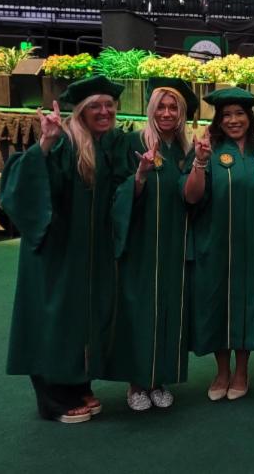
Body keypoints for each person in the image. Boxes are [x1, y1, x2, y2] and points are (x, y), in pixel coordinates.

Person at [1, 75, 129, 423]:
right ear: (82, 111)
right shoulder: (65, 142)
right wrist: (45, 142)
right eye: (95, 106)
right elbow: (24, 182)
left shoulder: (107, 143)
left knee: (83, 315)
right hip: (56, 249)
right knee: (53, 317)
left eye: (109, 105)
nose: (104, 111)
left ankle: (76, 382)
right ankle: (52, 398)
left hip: (88, 252)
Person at [107, 79, 198, 411]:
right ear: (151, 110)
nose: (167, 112)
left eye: (173, 107)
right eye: (161, 106)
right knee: (140, 311)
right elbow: (117, 194)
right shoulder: (134, 142)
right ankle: (136, 383)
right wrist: (140, 175)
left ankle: (159, 379)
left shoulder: (185, 151)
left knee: (168, 311)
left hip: (174, 245)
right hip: (141, 245)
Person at [184, 87, 254, 401]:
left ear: (250, 117)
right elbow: (191, 196)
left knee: (248, 304)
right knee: (219, 304)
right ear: (218, 120)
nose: (234, 120)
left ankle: (242, 370)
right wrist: (199, 162)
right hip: (217, 242)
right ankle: (222, 371)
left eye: (240, 114)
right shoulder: (208, 148)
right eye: (227, 115)